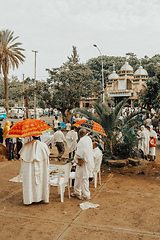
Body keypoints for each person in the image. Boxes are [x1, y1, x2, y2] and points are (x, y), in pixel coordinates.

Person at [19, 135, 50, 205]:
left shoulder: (26, 146)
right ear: (39, 136)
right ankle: (43, 197)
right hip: (42, 170)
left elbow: (22, 161)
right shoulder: (44, 146)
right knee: (42, 180)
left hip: (29, 171)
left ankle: (29, 199)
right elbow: (47, 162)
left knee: (29, 182)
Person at [71, 129, 94, 200]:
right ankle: (77, 191)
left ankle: (86, 195)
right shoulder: (88, 139)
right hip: (85, 160)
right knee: (78, 176)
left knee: (84, 178)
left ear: (79, 134)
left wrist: (74, 160)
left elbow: (79, 152)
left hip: (83, 161)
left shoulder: (82, 140)